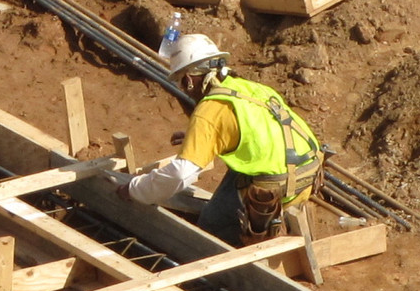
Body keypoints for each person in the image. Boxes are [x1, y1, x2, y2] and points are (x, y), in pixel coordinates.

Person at [124, 33, 326, 246]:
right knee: (238, 171)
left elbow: (179, 175)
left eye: (181, 82)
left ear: (189, 80)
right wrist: (205, 138)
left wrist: (134, 190)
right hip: (308, 174)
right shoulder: (250, 88)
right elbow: (259, 129)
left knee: (210, 228)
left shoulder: (210, 110)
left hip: (278, 187)